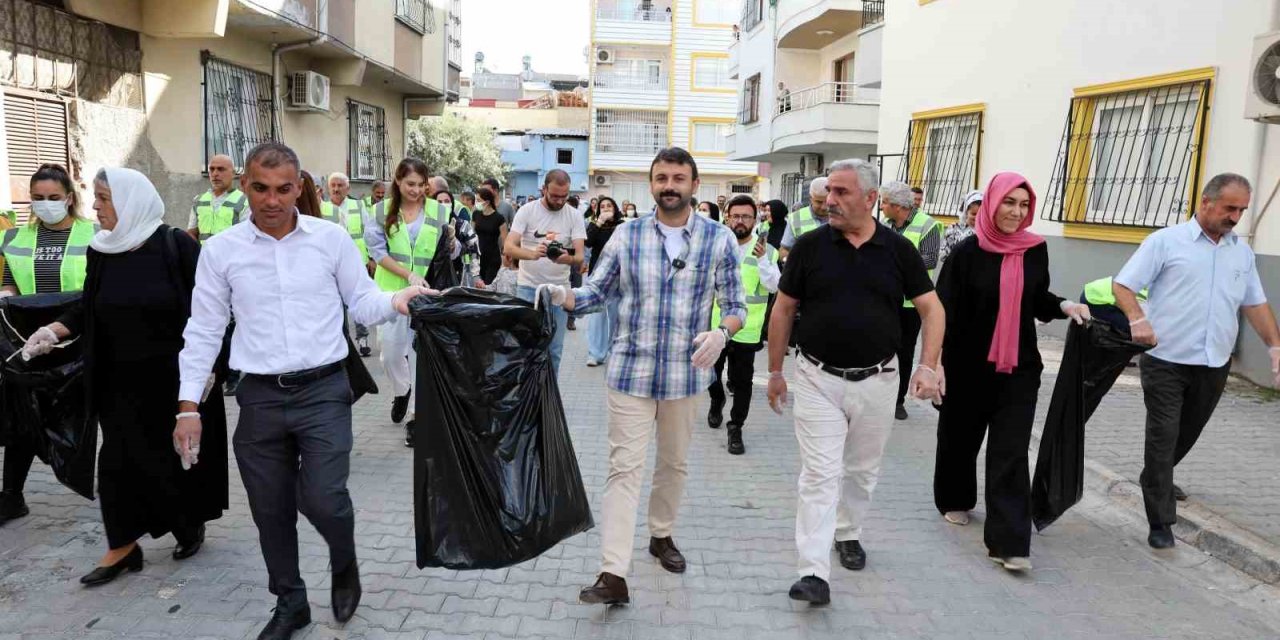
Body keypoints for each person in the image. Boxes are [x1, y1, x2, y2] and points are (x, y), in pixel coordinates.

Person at [173, 142, 431, 640]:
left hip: (324, 393)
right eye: (261, 188)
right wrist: (188, 407)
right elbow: (203, 331)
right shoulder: (221, 252)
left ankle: (343, 557)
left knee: (323, 497)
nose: (272, 200)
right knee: (270, 509)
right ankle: (290, 603)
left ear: (300, 188)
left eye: (284, 189)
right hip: (259, 398)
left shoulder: (329, 240)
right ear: (245, 185)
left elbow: (361, 301)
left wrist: (398, 300)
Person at [541, 147, 746, 606]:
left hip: (686, 376)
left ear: (695, 185)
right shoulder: (626, 236)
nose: (669, 185)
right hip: (630, 372)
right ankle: (613, 573)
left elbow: (736, 306)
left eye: (678, 177)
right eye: (660, 178)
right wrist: (562, 295)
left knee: (673, 465)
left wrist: (721, 333)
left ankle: (661, 534)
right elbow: (596, 292)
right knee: (624, 470)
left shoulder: (718, 239)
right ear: (651, 184)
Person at [22, 167, 229, 587]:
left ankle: (187, 524)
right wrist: (53, 331)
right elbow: (87, 306)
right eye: (96, 198)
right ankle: (122, 546)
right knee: (116, 462)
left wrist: (212, 368)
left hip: (174, 383)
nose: (95, 207)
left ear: (131, 201)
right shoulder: (101, 250)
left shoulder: (175, 247)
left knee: (174, 462)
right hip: (116, 382)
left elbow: (215, 312)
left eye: (103, 198)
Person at [766, 159, 944, 606]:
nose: (831, 200)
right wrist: (773, 373)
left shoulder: (897, 250)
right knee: (820, 475)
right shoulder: (809, 247)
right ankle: (812, 571)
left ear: (870, 200)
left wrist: (927, 365)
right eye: (829, 192)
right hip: (816, 377)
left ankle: (849, 532)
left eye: (842, 192)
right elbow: (784, 309)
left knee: (861, 473)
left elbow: (932, 309)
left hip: (879, 380)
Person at [1112, 172, 1280, 550]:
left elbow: (1255, 303)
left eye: (1242, 210)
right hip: (1165, 360)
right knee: (1163, 435)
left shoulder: (1241, 252)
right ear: (1206, 202)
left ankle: (1156, 476)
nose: (1236, 217)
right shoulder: (1166, 242)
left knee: (1187, 433)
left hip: (1214, 362)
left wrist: (1275, 347)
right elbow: (1122, 284)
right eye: (1229, 208)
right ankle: (1161, 520)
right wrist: (1138, 320)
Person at [931, 172, 1089, 573]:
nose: (1016, 213)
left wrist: (1065, 306)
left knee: (1011, 451)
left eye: (1024, 205)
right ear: (991, 203)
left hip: (1018, 367)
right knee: (960, 439)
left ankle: (1008, 543)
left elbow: (1036, 299)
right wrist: (934, 365)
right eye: (1009, 203)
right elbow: (941, 312)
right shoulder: (965, 254)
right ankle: (955, 497)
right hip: (966, 366)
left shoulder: (1034, 250)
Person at [0, 164, 95, 527]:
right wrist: (6, 297)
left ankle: (108, 483)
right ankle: (11, 496)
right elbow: (10, 282)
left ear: (69, 198)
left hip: (78, 336)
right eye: (38, 198)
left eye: (54, 198)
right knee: (23, 415)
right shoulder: (16, 238)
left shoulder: (95, 234)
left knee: (87, 414)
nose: (45, 204)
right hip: (28, 341)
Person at [366, 158, 455, 447]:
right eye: (410, 184)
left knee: (420, 355)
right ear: (398, 181)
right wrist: (408, 274)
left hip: (426, 295)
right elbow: (378, 253)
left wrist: (454, 245)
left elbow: (449, 253)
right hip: (392, 294)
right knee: (391, 355)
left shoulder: (441, 210)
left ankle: (417, 415)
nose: (416, 191)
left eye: (421, 185)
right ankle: (402, 390)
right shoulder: (380, 211)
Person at [707, 195, 779, 455]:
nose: (740, 221)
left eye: (746, 216)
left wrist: (762, 262)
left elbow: (775, 287)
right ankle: (716, 399)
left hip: (747, 330)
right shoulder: (716, 245)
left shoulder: (767, 250)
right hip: (716, 327)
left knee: (742, 382)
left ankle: (735, 426)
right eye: (735, 216)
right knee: (709, 374)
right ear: (727, 217)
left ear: (755, 219)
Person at [503, 169, 586, 374]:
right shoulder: (527, 211)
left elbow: (580, 257)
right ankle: (526, 399)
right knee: (525, 348)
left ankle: (548, 401)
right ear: (543, 190)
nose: (559, 201)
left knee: (554, 350)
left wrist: (566, 258)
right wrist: (532, 253)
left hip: (559, 292)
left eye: (564, 196)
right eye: (554, 196)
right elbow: (508, 247)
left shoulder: (574, 216)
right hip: (528, 288)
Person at [880, 180, 942, 421]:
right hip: (886, 300)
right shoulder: (885, 225)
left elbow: (928, 261)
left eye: (884, 202)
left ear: (897, 206)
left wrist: (894, 262)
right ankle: (881, 398)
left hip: (911, 304)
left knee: (904, 353)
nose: (881, 206)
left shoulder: (927, 225)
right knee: (882, 350)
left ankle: (897, 401)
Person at [322, 173, 374, 355]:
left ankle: (363, 339)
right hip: (330, 265)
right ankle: (340, 342)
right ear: (328, 188)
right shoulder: (322, 208)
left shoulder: (358, 206)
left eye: (340, 185)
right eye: (333, 185)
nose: (336, 189)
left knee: (357, 301)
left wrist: (372, 258)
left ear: (347, 188)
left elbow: (369, 233)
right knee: (335, 305)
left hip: (356, 262)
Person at [584, 196, 623, 367]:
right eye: (602, 206)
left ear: (615, 208)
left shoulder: (623, 225)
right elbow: (588, 242)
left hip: (619, 276)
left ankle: (614, 351)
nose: (606, 208)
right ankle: (595, 353)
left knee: (617, 315)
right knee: (597, 315)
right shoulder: (595, 224)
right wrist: (598, 222)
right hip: (598, 275)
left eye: (609, 206)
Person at [187, 154, 248, 243]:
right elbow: (191, 233)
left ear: (233, 173)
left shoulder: (244, 202)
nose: (215, 174)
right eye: (212, 169)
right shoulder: (199, 200)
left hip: (230, 256)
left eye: (221, 169)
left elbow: (247, 237)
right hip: (204, 256)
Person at [435, 189, 481, 287]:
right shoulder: (428, 225)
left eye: (447, 201)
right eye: (439, 202)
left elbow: (474, 249)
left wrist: (475, 275)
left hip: (457, 276)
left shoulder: (462, 225)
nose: (443, 204)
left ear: (452, 203)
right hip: (432, 277)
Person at [780, 179, 829, 260]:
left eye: (827, 202)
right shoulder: (796, 218)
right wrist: (791, 265)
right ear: (811, 198)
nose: (824, 207)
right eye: (819, 202)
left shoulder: (842, 217)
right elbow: (784, 250)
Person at [472, 187, 508, 285]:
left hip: (492, 257)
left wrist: (505, 258)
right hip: (478, 257)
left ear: (487, 202)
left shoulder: (499, 218)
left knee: (488, 286)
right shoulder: (476, 214)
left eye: (479, 200)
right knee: (477, 286)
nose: (476, 203)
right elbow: (471, 233)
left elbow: (505, 241)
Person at [940, 189, 981, 265]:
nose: (977, 217)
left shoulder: (986, 231)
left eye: (980, 214)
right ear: (966, 212)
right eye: (973, 214)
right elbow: (943, 254)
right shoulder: (954, 228)